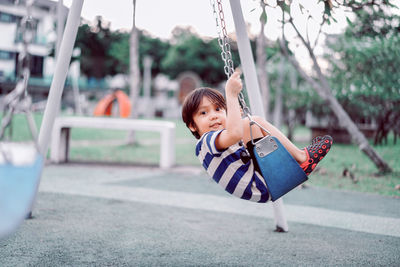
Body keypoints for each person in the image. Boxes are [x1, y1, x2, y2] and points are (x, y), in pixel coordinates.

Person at [182, 69, 332, 203]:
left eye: (218, 109)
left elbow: (234, 132)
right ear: (192, 125)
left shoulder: (218, 140)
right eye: (203, 113)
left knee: (249, 125)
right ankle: (302, 158)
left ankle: (293, 162)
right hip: (263, 184)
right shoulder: (205, 142)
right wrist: (231, 95)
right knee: (253, 122)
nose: (213, 116)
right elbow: (235, 133)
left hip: (263, 180)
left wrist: (233, 115)